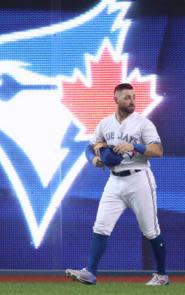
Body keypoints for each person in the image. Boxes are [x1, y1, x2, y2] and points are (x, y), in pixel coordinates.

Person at [65, 83, 169, 286]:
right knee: (101, 225)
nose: (132, 101)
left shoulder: (143, 124)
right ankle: (90, 272)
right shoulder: (105, 124)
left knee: (150, 230)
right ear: (116, 99)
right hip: (114, 180)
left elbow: (158, 151)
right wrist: (93, 159)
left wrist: (134, 146)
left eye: (134, 97)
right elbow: (91, 146)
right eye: (127, 97)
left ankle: (162, 275)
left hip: (139, 178)